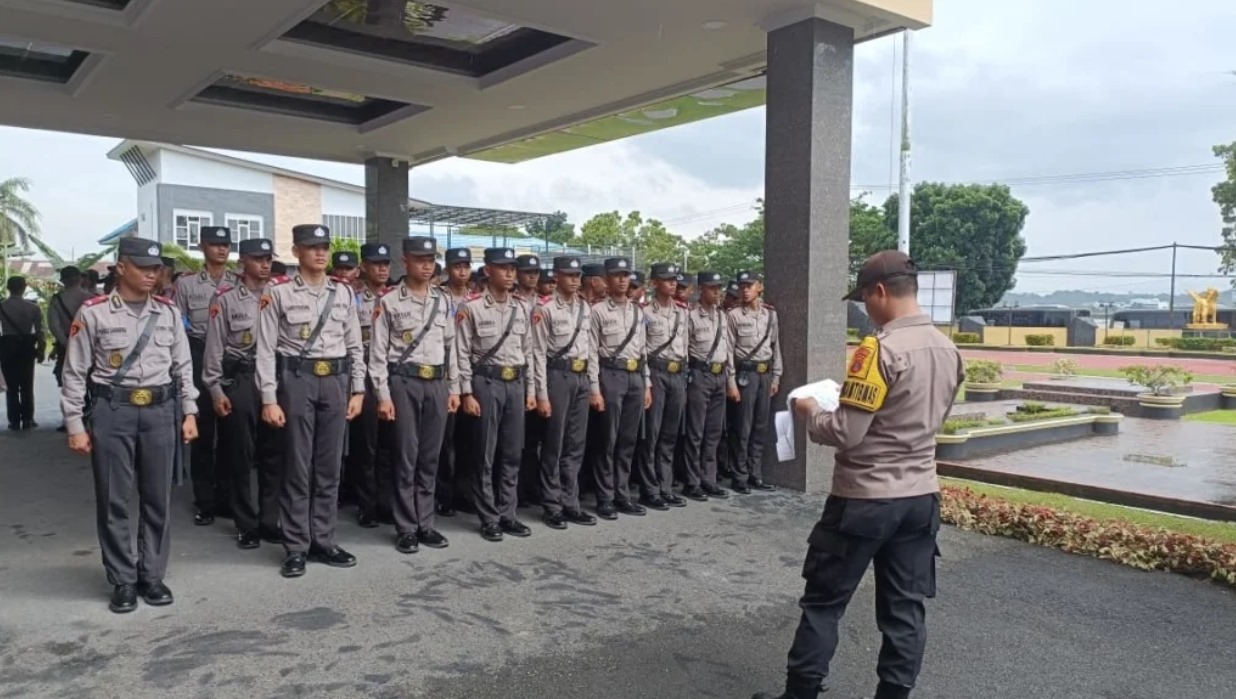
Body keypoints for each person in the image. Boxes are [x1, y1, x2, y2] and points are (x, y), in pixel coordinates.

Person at [753, 251, 963, 699]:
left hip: (864, 500)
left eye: (864, 298)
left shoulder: (879, 350)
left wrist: (810, 410)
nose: (864, 308)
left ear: (880, 292)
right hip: (920, 496)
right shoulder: (949, 350)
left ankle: (800, 694)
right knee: (905, 609)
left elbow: (847, 432)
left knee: (823, 603)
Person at [60, 237, 198, 613]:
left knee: (157, 497)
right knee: (114, 499)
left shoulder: (168, 312)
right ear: (121, 267)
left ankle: (151, 575)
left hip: (159, 411)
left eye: (156, 268)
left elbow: (182, 366)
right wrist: (75, 423)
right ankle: (122, 579)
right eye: (144, 267)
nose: (153, 274)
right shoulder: (93, 313)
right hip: (113, 411)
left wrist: (189, 412)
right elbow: (74, 373)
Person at [255, 224, 365, 578]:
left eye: (324, 246)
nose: (320, 252)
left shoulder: (344, 293)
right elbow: (265, 350)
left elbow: (354, 346)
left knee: (329, 466)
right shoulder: (279, 293)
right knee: (298, 465)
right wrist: (269, 398)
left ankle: (324, 539)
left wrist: (359, 389)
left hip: (335, 380)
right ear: (296, 250)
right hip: (296, 379)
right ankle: (296, 546)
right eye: (311, 246)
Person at [369, 236, 460, 554]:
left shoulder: (443, 300)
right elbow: (378, 353)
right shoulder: (390, 301)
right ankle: (406, 526)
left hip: (436, 382)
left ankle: (426, 523)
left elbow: (453, 348)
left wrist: (454, 387)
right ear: (405, 260)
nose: (426, 265)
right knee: (406, 457)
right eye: (420, 258)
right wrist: (382, 395)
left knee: (430, 457)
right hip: (404, 383)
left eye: (431, 259)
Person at [201, 238, 283, 550]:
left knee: (274, 453)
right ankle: (246, 523)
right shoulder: (225, 299)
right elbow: (214, 348)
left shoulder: (281, 294)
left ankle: (269, 519)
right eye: (258, 258)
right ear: (243, 262)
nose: (265, 264)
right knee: (240, 453)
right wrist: (215, 388)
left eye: (268, 258)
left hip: (276, 379)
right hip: (242, 380)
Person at [456, 247, 536, 542]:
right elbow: (462, 353)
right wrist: (466, 392)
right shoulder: (472, 307)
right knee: (485, 454)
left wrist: (530, 390)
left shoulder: (522, 307)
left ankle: (508, 513)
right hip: (486, 383)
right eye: (503, 268)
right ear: (488, 270)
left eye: (513, 268)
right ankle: (489, 516)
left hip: (515, 383)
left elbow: (528, 350)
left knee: (513, 452)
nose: (510, 273)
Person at [174, 225, 238, 526]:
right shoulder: (186, 284)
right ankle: (205, 501)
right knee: (203, 433)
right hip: (198, 353)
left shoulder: (237, 282)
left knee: (231, 433)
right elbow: (177, 326)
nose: (221, 249)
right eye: (215, 244)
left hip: (231, 357)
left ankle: (226, 497)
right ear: (202, 247)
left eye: (225, 244)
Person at [529, 256, 597, 530]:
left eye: (577, 275)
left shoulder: (585, 308)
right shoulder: (543, 308)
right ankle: (552, 504)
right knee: (554, 444)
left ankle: (571, 502)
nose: (574, 279)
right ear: (556, 276)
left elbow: (591, 350)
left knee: (575, 444)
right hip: (556, 375)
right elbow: (537, 353)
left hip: (581, 377)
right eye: (568, 275)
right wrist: (542, 394)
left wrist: (594, 387)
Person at [589, 257, 652, 520]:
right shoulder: (598, 311)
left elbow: (643, 349)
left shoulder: (639, 312)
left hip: (635, 375)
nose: (623, 279)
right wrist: (595, 388)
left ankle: (622, 494)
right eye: (617, 275)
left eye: (626, 275)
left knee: (628, 440)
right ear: (606, 278)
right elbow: (591, 351)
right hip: (610, 374)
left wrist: (647, 383)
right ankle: (605, 497)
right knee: (608, 439)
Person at [347, 242, 394, 528]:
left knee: (391, 443)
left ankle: (387, 502)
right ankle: (367, 505)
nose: (382, 268)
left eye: (386, 264)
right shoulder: (351, 298)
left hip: (393, 373)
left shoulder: (397, 297)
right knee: (367, 444)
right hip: (364, 372)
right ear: (363, 266)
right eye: (376, 263)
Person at [636, 262, 689, 510]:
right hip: (656, 372)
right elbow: (642, 351)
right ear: (654, 283)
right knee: (653, 434)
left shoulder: (682, 312)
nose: (673, 283)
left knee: (670, 434)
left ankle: (665, 486)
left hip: (677, 374)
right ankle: (650, 489)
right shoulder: (645, 312)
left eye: (674, 279)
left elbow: (685, 347)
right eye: (667, 279)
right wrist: (646, 382)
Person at [726, 271, 781, 494]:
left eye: (750, 285)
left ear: (760, 286)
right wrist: (731, 382)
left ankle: (755, 473)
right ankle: (739, 475)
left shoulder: (770, 315)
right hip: (745, 376)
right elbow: (728, 350)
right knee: (743, 427)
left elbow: (776, 347)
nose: (745, 290)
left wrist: (776, 376)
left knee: (760, 426)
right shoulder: (734, 315)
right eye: (742, 286)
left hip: (765, 374)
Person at [680, 272, 732, 502]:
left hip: (720, 376)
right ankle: (692, 482)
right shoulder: (690, 316)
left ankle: (708, 479)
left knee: (714, 431)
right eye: (712, 288)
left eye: (719, 288)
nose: (717, 292)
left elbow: (728, 351)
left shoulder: (723, 317)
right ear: (702, 289)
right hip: (699, 375)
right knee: (696, 431)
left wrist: (731, 381)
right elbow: (683, 350)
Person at [436, 247, 473, 517]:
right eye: (457, 266)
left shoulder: (477, 298)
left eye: (466, 266)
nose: (462, 271)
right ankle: (443, 495)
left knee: (468, 440)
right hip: (447, 373)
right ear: (447, 268)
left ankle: (464, 492)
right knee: (444, 442)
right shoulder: (438, 297)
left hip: (471, 373)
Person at [0, 275, 45, 430]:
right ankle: (27, 418)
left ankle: (13, 420)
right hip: (26, 347)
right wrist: (41, 349)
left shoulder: (2, 306)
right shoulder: (33, 307)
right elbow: (40, 331)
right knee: (27, 384)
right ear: (24, 287)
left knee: (11, 385)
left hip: (7, 347)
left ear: (8, 288)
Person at [49, 266, 92, 396]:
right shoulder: (91, 299)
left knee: (69, 380)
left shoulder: (57, 300)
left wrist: (66, 342)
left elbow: (54, 325)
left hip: (66, 344)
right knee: (89, 378)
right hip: (88, 343)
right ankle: (89, 409)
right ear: (80, 279)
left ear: (63, 280)